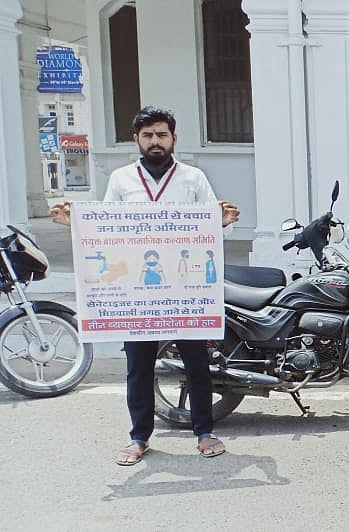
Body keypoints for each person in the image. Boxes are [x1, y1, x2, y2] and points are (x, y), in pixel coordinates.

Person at [49, 106, 240, 465]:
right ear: (136, 138)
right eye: (148, 135)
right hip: (137, 295)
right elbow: (105, 228)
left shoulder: (193, 178)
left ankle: (204, 432)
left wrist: (224, 221)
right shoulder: (122, 179)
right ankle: (139, 437)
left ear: (174, 138)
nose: (156, 141)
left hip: (184, 292)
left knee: (197, 364)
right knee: (139, 367)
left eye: (162, 135)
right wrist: (74, 223)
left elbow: (209, 227)